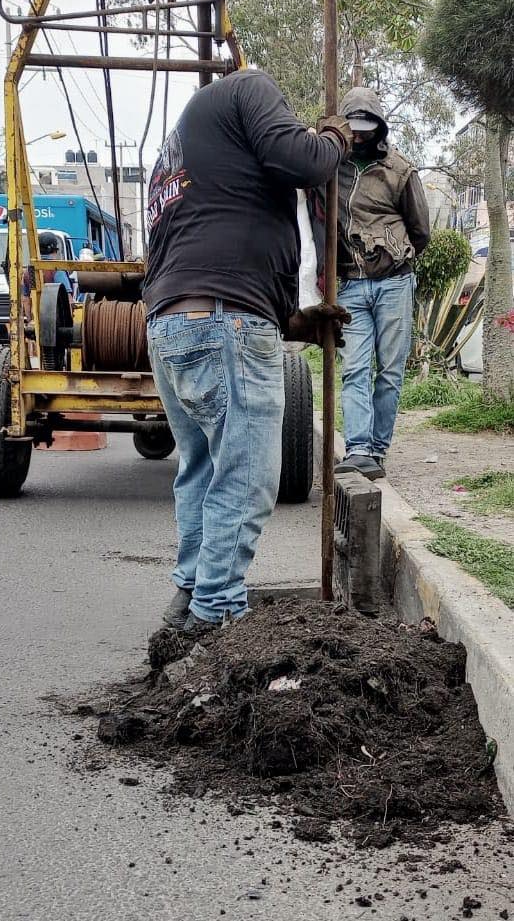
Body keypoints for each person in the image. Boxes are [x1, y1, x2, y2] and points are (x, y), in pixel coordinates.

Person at [143, 68, 353, 631]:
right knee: (248, 476)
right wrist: (333, 138)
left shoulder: (181, 152)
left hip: (172, 324)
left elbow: (214, 240)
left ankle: (188, 598)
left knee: (203, 469)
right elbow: (303, 161)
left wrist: (294, 318)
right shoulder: (248, 87)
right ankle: (216, 617)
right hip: (221, 320)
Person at [329, 87, 430, 480]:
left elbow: (420, 232)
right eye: (352, 127)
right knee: (354, 369)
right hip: (351, 285)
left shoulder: (401, 171)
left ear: (379, 127)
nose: (358, 135)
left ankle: (377, 450)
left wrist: (392, 259)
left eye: (365, 127)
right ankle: (358, 448)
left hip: (394, 284)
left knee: (390, 371)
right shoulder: (330, 167)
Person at [22, 231, 73, 321]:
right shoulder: (57, 269)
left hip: (38, 322)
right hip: (56, 323)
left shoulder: (28, 271)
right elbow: (67, 299)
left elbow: (26, 300)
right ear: (55, 250)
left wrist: (30, 321)